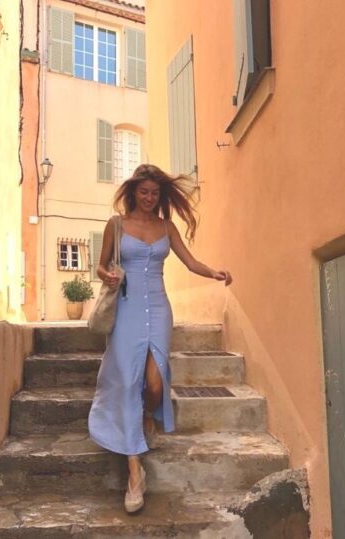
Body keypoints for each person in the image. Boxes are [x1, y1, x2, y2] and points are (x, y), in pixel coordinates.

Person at [88, 164, 232, 513]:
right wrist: (107, 274)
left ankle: (146, 416)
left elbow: (189, 260)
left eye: (155, 193)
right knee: (125, 384)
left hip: (159, 308)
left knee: (154, 384)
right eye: (144, 192)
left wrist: (212, 271)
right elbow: (101, 264)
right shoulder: (116, 224)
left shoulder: (167, 226)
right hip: (126, 310)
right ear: (134, 191)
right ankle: (135, 473)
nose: (150, 198)